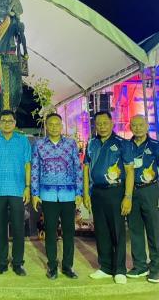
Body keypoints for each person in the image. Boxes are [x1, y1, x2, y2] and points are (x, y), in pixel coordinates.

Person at [84, 111, 134, 284]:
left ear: (112, 123)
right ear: (95, 125)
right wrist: (86, 193)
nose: (102, 126)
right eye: (98, 123)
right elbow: (86, 168)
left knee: (117, 231)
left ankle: (119, 269)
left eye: (105, 123)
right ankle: (105, 267)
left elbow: (129, 171)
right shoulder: (91, 143)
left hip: (116, 192)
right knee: (101, 230)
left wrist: (128, 196)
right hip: (97, 192)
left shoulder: (122, 143)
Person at [31, 113, 83, 280]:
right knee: (50, 231)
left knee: (68, 232)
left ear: (62, 126)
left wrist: (79, 192)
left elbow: (78, 168)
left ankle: (68, 266)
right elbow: (35, 169)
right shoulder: (39, 145)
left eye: (57, 124)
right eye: (51, 124)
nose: (54, 127)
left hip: (68, 195)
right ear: (46, 126)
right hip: (48, 195)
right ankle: (52, 266)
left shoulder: (70, 144)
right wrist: (35, 193)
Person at [0, 110, 31, 276]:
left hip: (17, 191)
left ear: (15, 123)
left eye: (10, 121)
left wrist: (27, 187)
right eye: (3, 121)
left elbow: (27, 165)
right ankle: (2, 262)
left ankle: (18, 263)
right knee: (0, 229)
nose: (7, 123)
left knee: (19, 229)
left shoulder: (23, 141)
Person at [127, 115, 159, 283]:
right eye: (134, 125)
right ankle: (140, 266)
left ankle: (156, 268)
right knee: (135, 229)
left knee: (154, 230)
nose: (138, 128)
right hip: (132, 192)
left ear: (147, 126)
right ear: (130, 127)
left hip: (150, 190)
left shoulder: (155, 146)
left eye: (141, 125)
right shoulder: (126, 146)